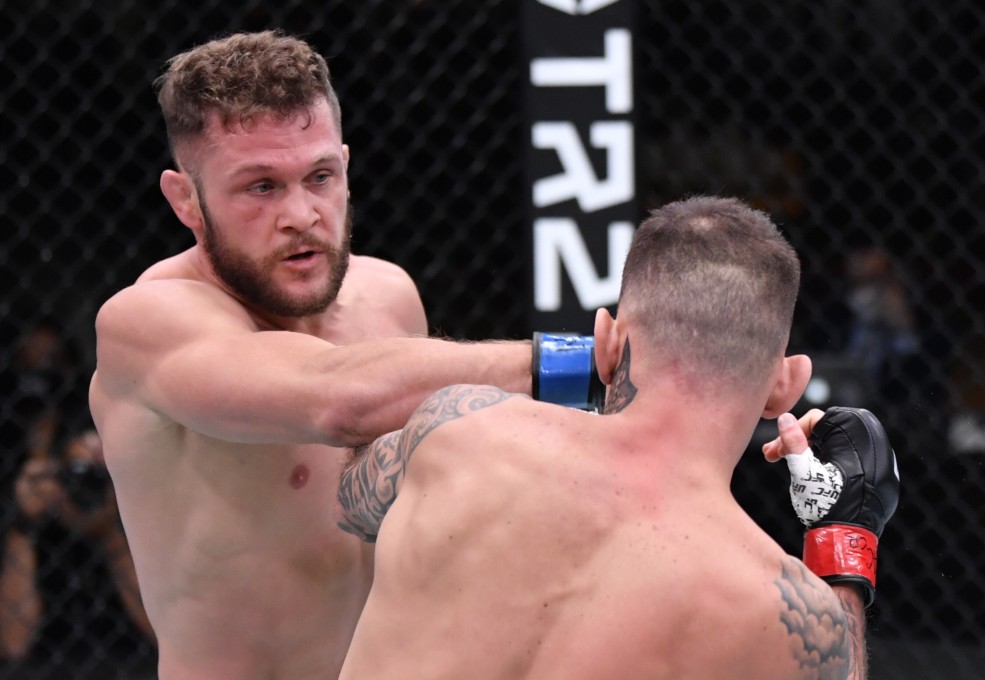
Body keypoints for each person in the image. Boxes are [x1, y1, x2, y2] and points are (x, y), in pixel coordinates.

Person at [88, 30, 599, 680]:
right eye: (261, 187)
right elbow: (334, 398)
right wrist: (586, 364)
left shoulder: (387, 297)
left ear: (347, 168)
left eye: (320, 176)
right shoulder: (147, 323)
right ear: (185, 198)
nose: (302, 214)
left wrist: (691, 392)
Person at [335, 196, 900, 680]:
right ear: (786, 386)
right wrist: (845, 533)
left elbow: (351, 501)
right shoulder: (773, 604)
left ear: (606, 342)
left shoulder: (457, 431)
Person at [0, 419, 156, 678]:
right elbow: (12, 644)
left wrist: (110, 535)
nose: (89, 488)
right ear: (57, 474)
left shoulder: (143, 527)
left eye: (102, 476)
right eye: (78, 473)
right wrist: (24, 525)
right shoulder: (34, 527)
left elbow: (162, 635)